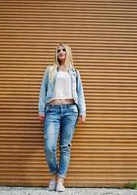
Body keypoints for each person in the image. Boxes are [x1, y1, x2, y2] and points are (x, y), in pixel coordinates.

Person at [38, 43, 86, 192]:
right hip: (52, 110)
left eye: (63, 49)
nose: (61, 52)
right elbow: (43, 90)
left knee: (65, 147)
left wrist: (82, 111)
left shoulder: (75, 72)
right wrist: (41, 110)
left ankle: (60, 180)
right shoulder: (50, 70)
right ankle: (54, 174)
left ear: (68, 52)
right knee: (49, 146)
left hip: (70, 111)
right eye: (58, 50)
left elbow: (80, 92)